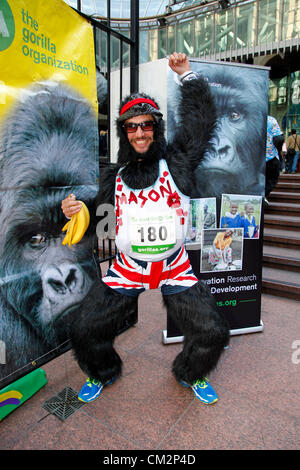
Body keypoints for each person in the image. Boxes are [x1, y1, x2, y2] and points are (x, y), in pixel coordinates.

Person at [62, 52, 229, 406]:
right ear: (124, 132)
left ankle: (191, 372)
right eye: (132, 126)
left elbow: (202, 123)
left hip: (174, 267)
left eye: (147, 125)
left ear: (157, 128)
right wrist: (74, 210)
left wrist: (187, 77)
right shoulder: (115, 176)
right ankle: (102, 372)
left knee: (212, 332)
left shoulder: (178, 162)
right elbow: (96, 214)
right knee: (84, 330)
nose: (140, 133)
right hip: (127, 270)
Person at [265, 116, 284, 203]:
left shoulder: (246, 117)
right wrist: (279, 151)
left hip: (251, 158)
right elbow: (278, 138)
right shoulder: (271, 120)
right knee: (272, 178)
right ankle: (263, 195)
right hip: (270, 156)